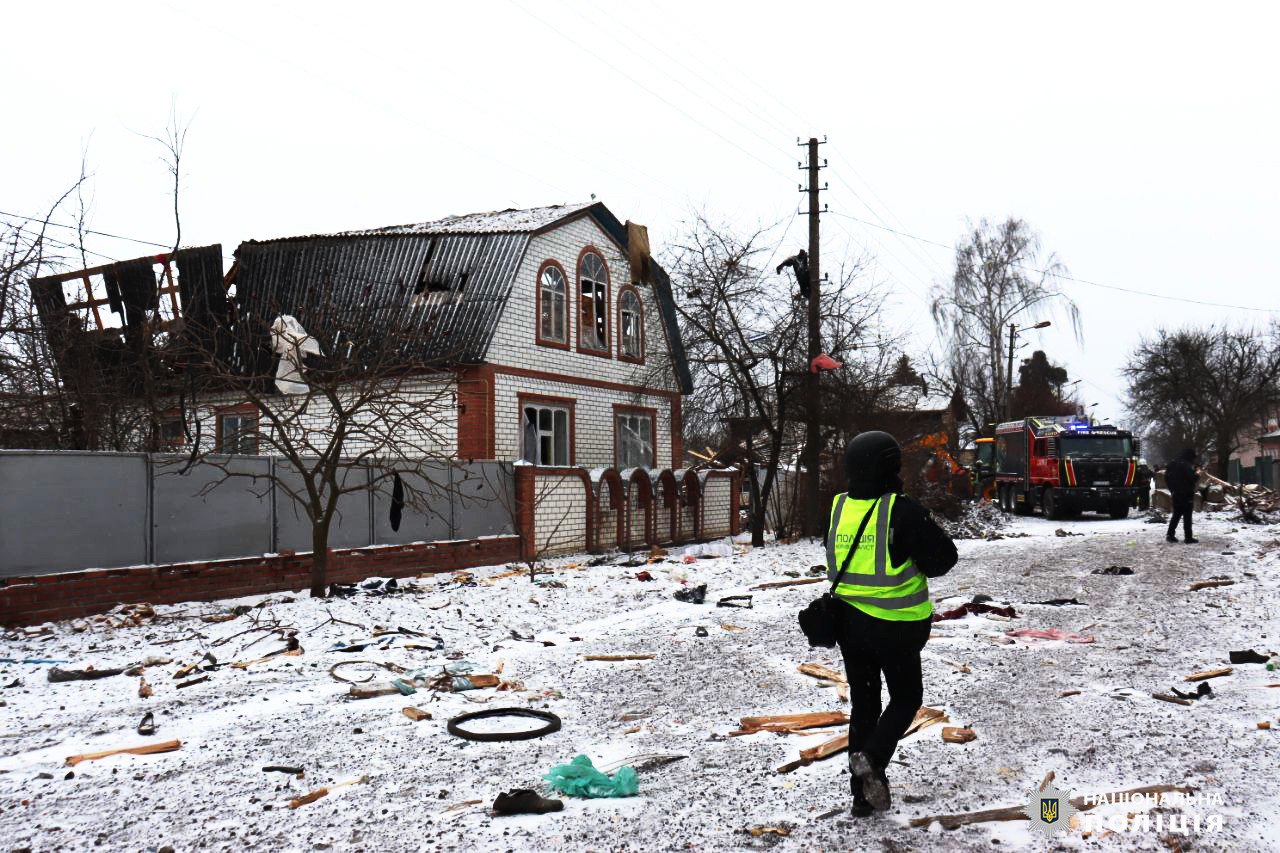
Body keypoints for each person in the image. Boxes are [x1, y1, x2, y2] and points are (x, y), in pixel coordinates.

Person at [826, 431, 958, 816]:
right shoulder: (901, 511)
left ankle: (861, 798)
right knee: (905, 698)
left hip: (850, 627)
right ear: (891, 466)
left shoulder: (838, 508)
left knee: (865, 706)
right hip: (895, 628)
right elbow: (943, 560)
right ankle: (872, 757)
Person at [1164, 448, 1200, 544]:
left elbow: (1166, 478)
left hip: (1176, 493)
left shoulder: (1172, 464)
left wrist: (1173, 490)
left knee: (1176, 514)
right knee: (1187, 515)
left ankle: (1170, 535)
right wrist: (1197, 474)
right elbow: (1192, 478)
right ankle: (1188, 537)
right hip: (1186, 493)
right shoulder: (1186, 465)